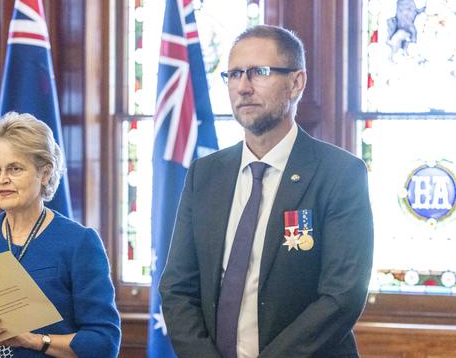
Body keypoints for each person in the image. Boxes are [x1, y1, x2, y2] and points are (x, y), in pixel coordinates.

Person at [159, 25, 374, 358]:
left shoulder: (339, 174)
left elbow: (341, 296)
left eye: (259, 72)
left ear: (296, 82)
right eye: (233, 74)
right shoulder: (206, 174)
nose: (243, 87)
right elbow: (177, 288)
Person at [0, 112, 121, 358]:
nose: (2, 180)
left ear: (44, 173)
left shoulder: (79, 243)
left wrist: (32, 340)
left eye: (14, 169)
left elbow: (104, 343)